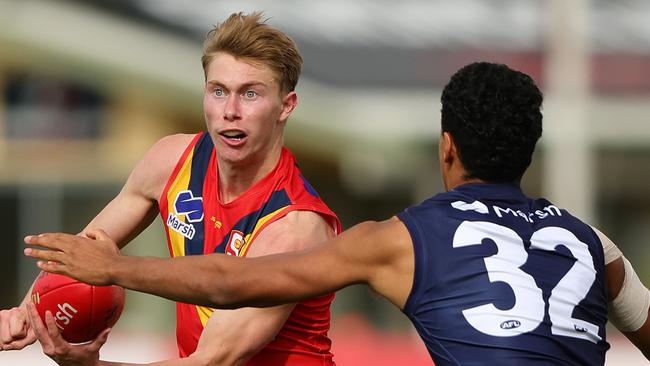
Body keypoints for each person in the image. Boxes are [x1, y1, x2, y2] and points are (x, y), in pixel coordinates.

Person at [24, 62, 650, 365]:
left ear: (447, 147)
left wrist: (114, 268)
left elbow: (229, 283)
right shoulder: (593, 244)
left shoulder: (401, 239)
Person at [4, 11, 342, 366]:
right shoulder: (171, 161)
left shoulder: (294, 226)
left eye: (251, 94)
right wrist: (26, 315)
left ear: (286, 106)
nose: (231, 110)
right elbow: (83, 254)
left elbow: (212, 361)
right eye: (219, 91)